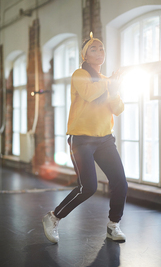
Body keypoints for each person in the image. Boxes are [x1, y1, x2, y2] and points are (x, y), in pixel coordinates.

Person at [42, 32, 128, 243]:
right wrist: (111, 85)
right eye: (93, 49)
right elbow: (91, 95)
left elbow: (117, 109)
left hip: (105, 139)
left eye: (102, 49)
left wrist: (115, 91)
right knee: (88, 187)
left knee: (121, 182)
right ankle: (53, 217)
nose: (99, 52)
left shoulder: (108, 82)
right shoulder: (80, 75)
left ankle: (113, 225)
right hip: (81, 139)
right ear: (85, 56)